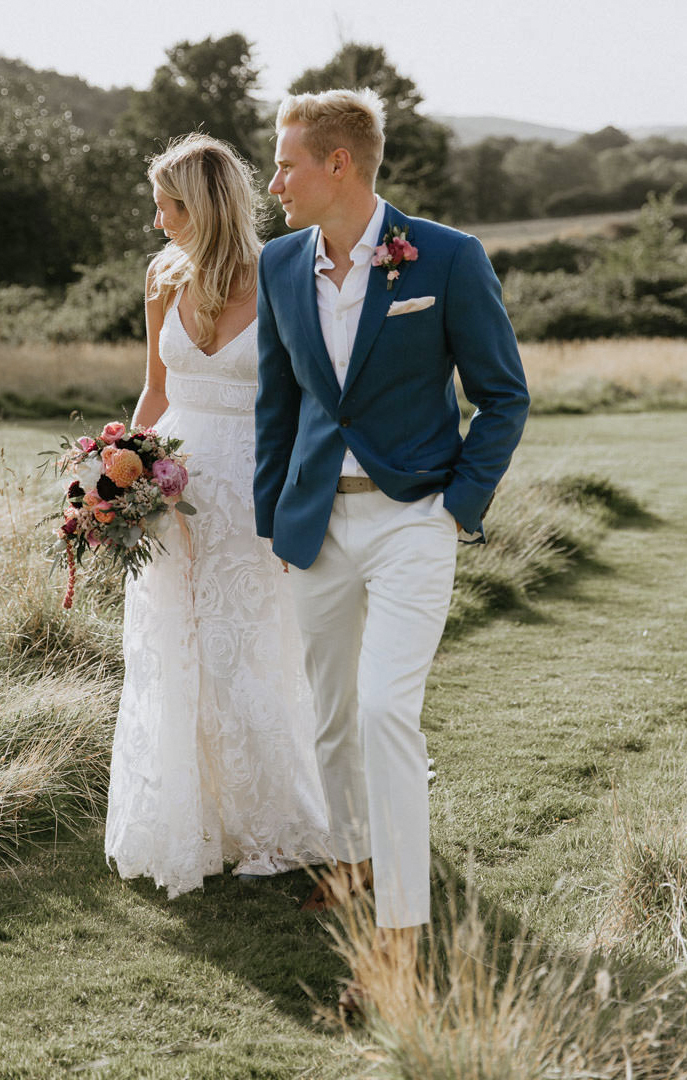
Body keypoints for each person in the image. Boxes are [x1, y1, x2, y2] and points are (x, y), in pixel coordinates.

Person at [254, 90, 529, 986]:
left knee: (384, 712)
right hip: (315, 527)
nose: (274, 180)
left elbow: (503, 393)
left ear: (340, 165)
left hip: (415, 517)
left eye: (287, 162)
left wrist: (458, 505)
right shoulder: (279, 265)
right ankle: (350, 862)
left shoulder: (448, 257)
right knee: (331, 718)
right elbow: (279, 404)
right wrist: (273, 516)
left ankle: (403, 928)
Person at [105, 133, 329, 896]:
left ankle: (269, 823)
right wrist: (117, 477)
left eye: (167, 206)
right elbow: (155, 392)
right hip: (171, 489)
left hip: (254, 484)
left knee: (251, 648)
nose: (158, 221)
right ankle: (186, 820)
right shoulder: (161, 278)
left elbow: (308, 397)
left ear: (199, 207)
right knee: (174, 646)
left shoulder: (284, 276)